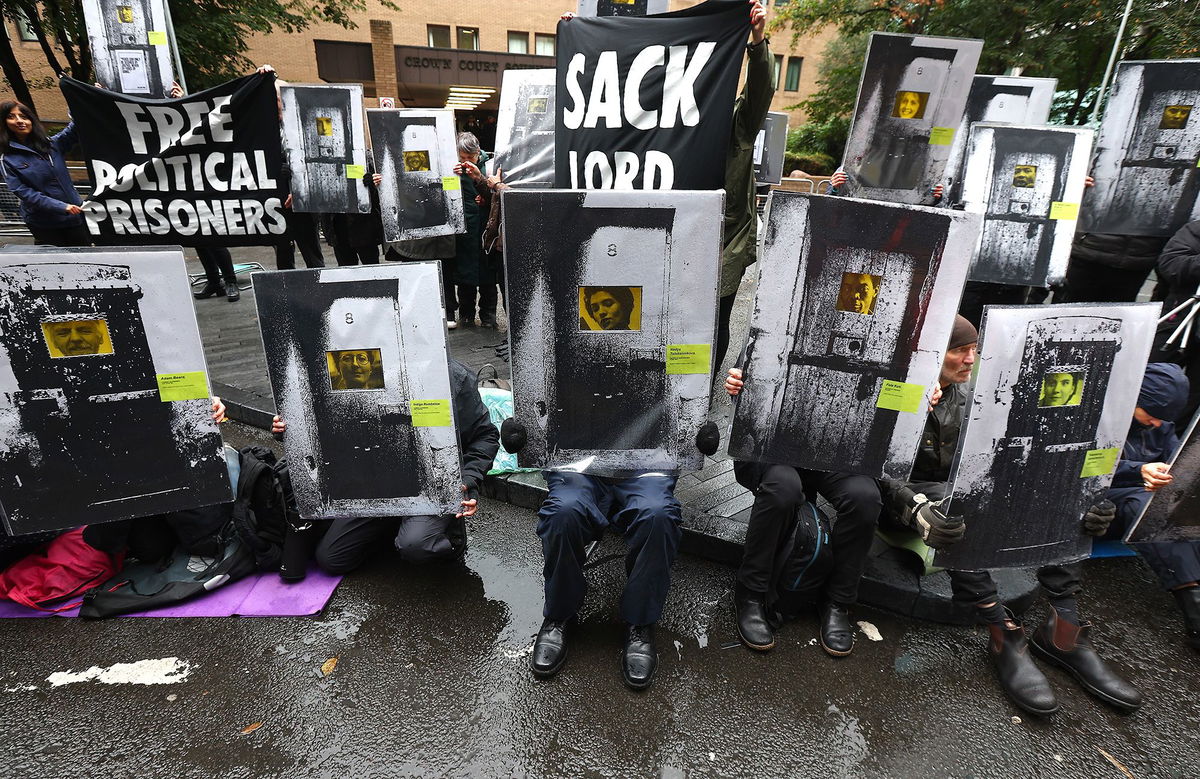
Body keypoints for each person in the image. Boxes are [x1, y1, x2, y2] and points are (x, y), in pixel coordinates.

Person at [880, 315, 1142, 716]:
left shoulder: (972, 395)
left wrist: (1080, 499)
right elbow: (873, 465)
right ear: (931, 354)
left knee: (1057, 494)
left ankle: (1064, 625)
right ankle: (1001, 629)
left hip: (957, 487)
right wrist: (914, 505)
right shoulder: (896, 387)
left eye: (974, 349)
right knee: (959, 507)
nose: (971, 359)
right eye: (959, 350)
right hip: (908, 502)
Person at [271, 357, 498, 571]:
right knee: (332, 559)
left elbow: (485, 436)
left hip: (431, 483)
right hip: (376, 483)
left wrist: (467, 480)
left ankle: (447, 535)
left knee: (416, 545)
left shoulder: (448, 374)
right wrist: (292, 429)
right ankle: (393, 525)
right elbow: (330, 425)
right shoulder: (357, 365)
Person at [725, 366, 881, 656]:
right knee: (783, 487)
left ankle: (837, 601)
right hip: (773, 443)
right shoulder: (780, 320)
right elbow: (751, 375)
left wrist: (928, 391)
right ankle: (751, 592)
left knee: (865, 497)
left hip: (835, 447)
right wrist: (738, 383)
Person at [529, 468, 683, 690]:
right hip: (578, 466)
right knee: (562, 513)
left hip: (646, 466)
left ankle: (640, 621)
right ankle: (559, 613)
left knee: (658, 516)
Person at [1100, 363, 1200, 651]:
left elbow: (1176, 458)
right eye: (1153, 415)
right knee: (1147, 506)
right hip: (1103, 501)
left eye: (1164, 419)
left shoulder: (1162, 421)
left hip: (1147, 496)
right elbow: (1082, 464)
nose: (1158, 423)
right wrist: (1138, 470)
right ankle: (1193, 605)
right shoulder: (1102, 414)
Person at [714, 0, 773, 369]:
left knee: (716, 319)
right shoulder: (669, 120)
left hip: (727, 241)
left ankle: (699, 395)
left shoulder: (738, 122)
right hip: (678, 237)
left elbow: (761, 89)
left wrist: (758, 39)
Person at [0, 99, 89, 246]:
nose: (19, 121)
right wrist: (61, 206)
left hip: (75, 217)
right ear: (4, 123)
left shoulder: (52, 145)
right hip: (44, 224)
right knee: (54, 263)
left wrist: (81, 97)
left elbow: (75, 128)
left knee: (84, 257)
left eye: (24, 116)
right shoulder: (7, 159)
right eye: (11, 117)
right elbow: (23, 192)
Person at [1151, 218, 1200, 419]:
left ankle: (1176, 445)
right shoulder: (1196, 229)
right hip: (1180, 317)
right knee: (1148, 377)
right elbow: (1170, 264)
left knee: (1193, 401)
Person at [451, 133, 500, 328]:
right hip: (464, 228)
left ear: (478, 153)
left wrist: (483, 191)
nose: (465, 162)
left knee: (488, 274)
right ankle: (466, 314)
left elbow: (497, 194)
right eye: (461, 158)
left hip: (486, 228)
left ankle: (488, 316)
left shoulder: (491, 166)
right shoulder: (453, 168)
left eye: (469, 158)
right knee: (465, 275)